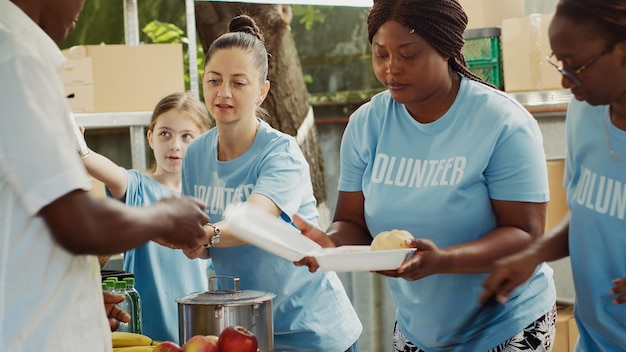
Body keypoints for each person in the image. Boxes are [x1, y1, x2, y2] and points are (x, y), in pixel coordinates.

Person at [293, 0, 558, 351]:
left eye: (408, 54)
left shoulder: (502, 122)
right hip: (419, 331)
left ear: (445, 49)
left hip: (505, 325)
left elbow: (526, 234)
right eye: (381, 54)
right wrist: (331, 245)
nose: (391, 69)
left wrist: (443, 261)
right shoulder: (366, 125)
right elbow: (351, 222)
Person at [0, 1, 211, 351]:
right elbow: (77, 222)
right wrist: (163, 215)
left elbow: (23, 228)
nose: (82, 5)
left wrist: (76, 295)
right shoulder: (16, 63)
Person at [182, 14, 362, 352]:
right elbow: (203, 240)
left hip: (311, 331)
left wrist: (204, 234)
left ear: (262, 90)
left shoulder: (282, 153)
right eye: (214, 80)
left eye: (238, 82)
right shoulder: (195, 155)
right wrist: (192, 241)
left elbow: (253, 222)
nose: (223, 92)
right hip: (245, 331)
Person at [482, 1, 626, 350]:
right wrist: (533, 254)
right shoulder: (584, 111)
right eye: (559, 62)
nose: (564, 79)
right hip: (595, 339)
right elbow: (586, 212)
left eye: (577, 65)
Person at [81, 91, 214, 343]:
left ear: (203, 142)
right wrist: (79, 148)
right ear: (150, 138)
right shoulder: (136, 187)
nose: (175, 144)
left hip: (198, 331)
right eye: (165, 133)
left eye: (187, 136)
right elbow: (105, 169)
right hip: (143, 333)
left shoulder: (207, 197)